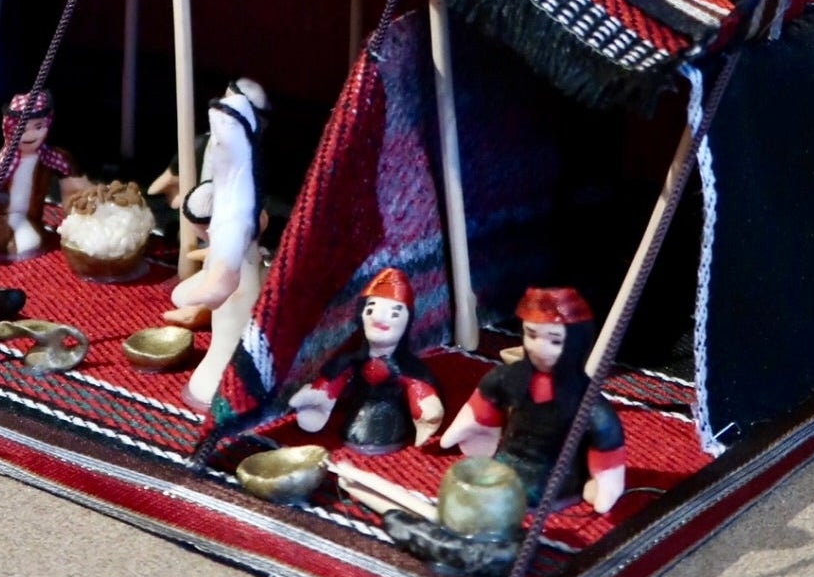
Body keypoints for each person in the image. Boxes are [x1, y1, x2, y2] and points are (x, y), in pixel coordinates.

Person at [440, 286, 626, 512]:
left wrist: (607, 480)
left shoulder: (584, 398)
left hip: (557, 474)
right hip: (509, 458)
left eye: (555, 341)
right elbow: (488, 394)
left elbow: (606, 433)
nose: (539, 348)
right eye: (531, 334)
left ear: (574, 343)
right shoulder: (512, 376)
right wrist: (473, 424)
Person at [170, 78, 269, 411]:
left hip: (239, 282)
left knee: (232, 334)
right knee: (225, 328)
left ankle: (234, 383)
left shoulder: (238, 204)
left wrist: (205, 285)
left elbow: (224, 271)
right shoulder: (227, 194)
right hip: (232, 273)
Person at [288, 267, 443, 455]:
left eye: (394, 313)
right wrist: (320, 395)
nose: (379, 318)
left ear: (407, 321)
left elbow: (418, 386)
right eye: (371, 309)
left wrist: (426, 407)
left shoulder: (407, 367)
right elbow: (336, 378)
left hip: (391, 421)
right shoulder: (352, 361)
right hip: (356, 416)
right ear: (361, 316)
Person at [0, 90, 88, 259]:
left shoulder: (52, 159)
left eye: (38, 127)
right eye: (22, 129)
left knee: (30, 241)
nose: (30, 135)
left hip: (30, 220)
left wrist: (83, 216)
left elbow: (76, 188)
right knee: (11, 245)